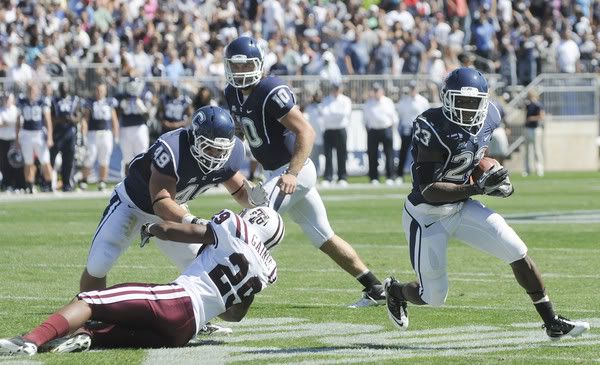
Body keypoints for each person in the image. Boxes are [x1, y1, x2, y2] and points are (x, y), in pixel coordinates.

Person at [383, 67, 590, 340]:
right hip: (426, 216)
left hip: (461, 207)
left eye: (473, 103)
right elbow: (430, 190)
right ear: (446, 99)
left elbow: (476, 153)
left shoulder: (491, 114)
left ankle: (552, 322)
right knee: (433, 296)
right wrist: (478, 188)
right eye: (462, 102)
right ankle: (396, 291)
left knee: (517, 250)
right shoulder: (431, 125)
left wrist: (491, 175)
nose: (468, 110)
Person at [223, 36, 385, 307]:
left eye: (245, 66)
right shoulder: (232, 93)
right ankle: (375, 287)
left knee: (252, 227)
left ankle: (227, 294)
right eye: (235, 67)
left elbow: (306, 131)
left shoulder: (271, 90)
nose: (240, 72)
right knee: (324, 236)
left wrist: (292, 173)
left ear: (259, 64)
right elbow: (249, 132)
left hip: (292, 172)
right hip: (275, 173)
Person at [0, 206, 282, 355]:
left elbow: (178, 231)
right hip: (186, 332)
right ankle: (87, 337)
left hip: (176, 300)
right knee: (117, 331)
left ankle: (30, 340)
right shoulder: (265, 269)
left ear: (253, 218)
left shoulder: (234, 225)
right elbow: (234, 315)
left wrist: (153, 227)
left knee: (89, 300)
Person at [79, 105, 268, 292]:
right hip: (132, 204)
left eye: (220, 150)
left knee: (198, 264)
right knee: (99, 263)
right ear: (194, 138)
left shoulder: (230, 155)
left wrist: (253, 199)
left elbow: (241, 193)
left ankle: (197, 318)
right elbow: (161, 202)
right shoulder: (173, 149)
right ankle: (90, 314)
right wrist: (193, 222)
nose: (215, 156)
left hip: (173, 207)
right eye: (209, 148)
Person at [15, 83, 54, 193]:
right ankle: (30, 186)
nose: (31, 92)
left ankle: (50, 185)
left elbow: (48, 120)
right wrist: (17, 138)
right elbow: (18, 122)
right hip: (26, 134)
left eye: (33, 90)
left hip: (39, 134)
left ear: (37, 91)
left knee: (45, 161)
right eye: (29, 90)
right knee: (28, 162)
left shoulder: (42, 102)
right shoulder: (22, 102)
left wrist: (50, 137)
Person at [80, 84, 120, 191]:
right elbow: (85, 119)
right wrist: (83, 134)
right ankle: (84, 180)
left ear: (105, 92)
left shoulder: (109, 102)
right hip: (93, 133)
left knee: (104, 158)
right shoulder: (90, 102)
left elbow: (114, 120)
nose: (99, 92)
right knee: (90, 156)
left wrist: (116, 135)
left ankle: (102, 181)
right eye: (97, 90)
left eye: (101, 90)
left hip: (106, 133)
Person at [362, 83, 398, 185]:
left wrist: (391, 129)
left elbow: (394, 118)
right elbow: (364, 120)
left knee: (389, 154)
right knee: (372, 155)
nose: (376, 92)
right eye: (374, 90)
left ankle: (390, 176)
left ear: (382, 91)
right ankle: (374, 177)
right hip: (373, 131)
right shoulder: (368, 103)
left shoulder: (388, 102)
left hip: (386, 129)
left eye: (378, 90)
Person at [396, 82, 430, 184]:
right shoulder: (404, 101)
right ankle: (399, 175)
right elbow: (400, 116)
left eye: (414, 88)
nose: (413, 90)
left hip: (419, 129)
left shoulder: (422, 101)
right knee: (403, 152)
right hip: (407, 128)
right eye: (411, 88)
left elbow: (426, 115)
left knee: (421, 152)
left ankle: (422, 174)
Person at [116, 78, 150, 175]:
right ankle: (128, 180)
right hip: (125, 128)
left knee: (142, 156)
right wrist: (121, 106)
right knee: (127, 158)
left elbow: (148, 117)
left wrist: (142, 108)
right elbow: (117, 113)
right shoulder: (122, 97)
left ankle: (143, 180)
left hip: (140, 128)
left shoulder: (144, 96)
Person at [49, 83, 80, 192]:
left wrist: (72, 119)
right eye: (62, 88)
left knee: (68, 160)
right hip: (57, 133)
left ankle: (66, 184)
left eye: (65, 88)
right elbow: (51, 118)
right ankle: (48, 183)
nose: (64, 90)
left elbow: (78, 116)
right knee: (51, 159)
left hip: (70, 133)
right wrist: (60, 119)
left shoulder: (74, 100)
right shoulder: (54, 101)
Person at [320, 84, 351, 186]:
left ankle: (342, 177)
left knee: (341, 154)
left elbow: (344, 114)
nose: (336, 90)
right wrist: (336, 114)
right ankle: (328, 177)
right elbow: (324, 114)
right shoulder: (326, 100)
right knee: (328, 155)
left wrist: (332, 114)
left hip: (341, 129)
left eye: (338, 88)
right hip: (329, 130)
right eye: (335, 88)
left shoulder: (346, 100)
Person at [0, 92, 24, 191]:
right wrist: (12, 123)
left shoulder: (16, 110)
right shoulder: (1, 110)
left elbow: (21, 123)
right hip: (3, 140)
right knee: (4, 163)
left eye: (8, 98)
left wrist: (8, 123)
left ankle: (18, 184)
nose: (6, 100)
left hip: (14, 140)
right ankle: (7, 183)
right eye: (4, 98)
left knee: (16, 162)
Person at [523, 90, 544, 177]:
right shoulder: (528, 105)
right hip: (527, 128)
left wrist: (531, 118)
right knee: (527, 150)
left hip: (535, 129)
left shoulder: (538, 105)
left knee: (537, 150)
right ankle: (527, 170)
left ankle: (539, 169)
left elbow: (541, 116)